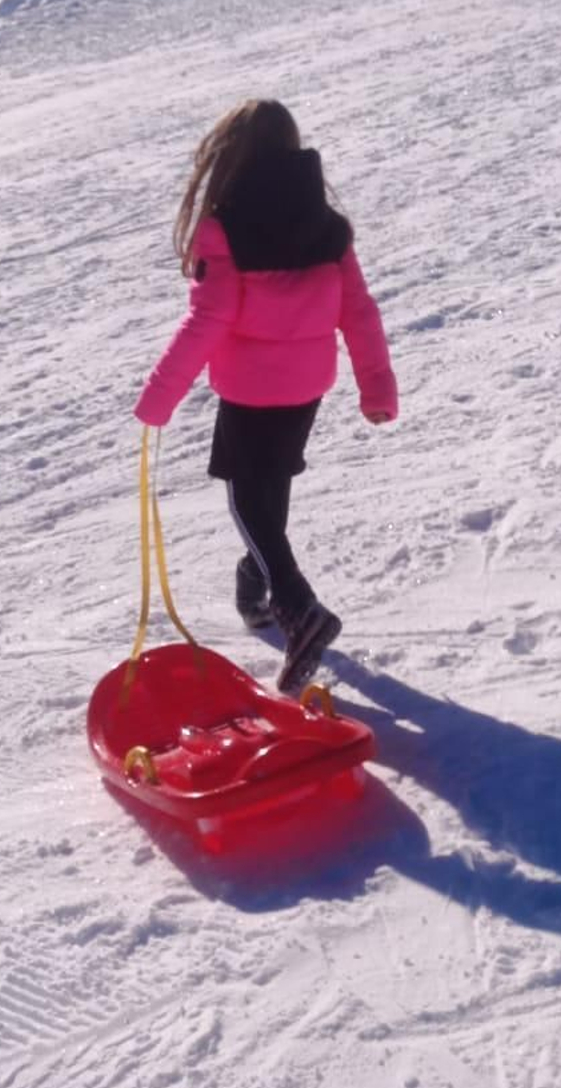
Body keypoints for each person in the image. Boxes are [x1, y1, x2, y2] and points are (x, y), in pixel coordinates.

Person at [134, 99, 398, 692]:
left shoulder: (224, 229)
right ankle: (254, 590)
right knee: (270, 488)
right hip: (305, 389)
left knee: (248, 501)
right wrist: (376, 386)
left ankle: (299, 608)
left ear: (232, 157)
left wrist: (159, 397)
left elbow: (208, 319)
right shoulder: (326, 226)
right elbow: (359, 310)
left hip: (251, 391)